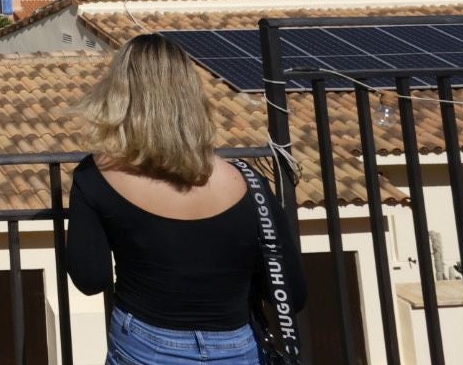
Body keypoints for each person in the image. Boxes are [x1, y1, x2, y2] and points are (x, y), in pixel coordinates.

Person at [66, 33, 306, 364]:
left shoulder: (96, 176)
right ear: (190, 96)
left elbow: (91, 279)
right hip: (237, 346)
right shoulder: (248, 182)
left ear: (119, 97)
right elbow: (291, 291)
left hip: (145, 344)